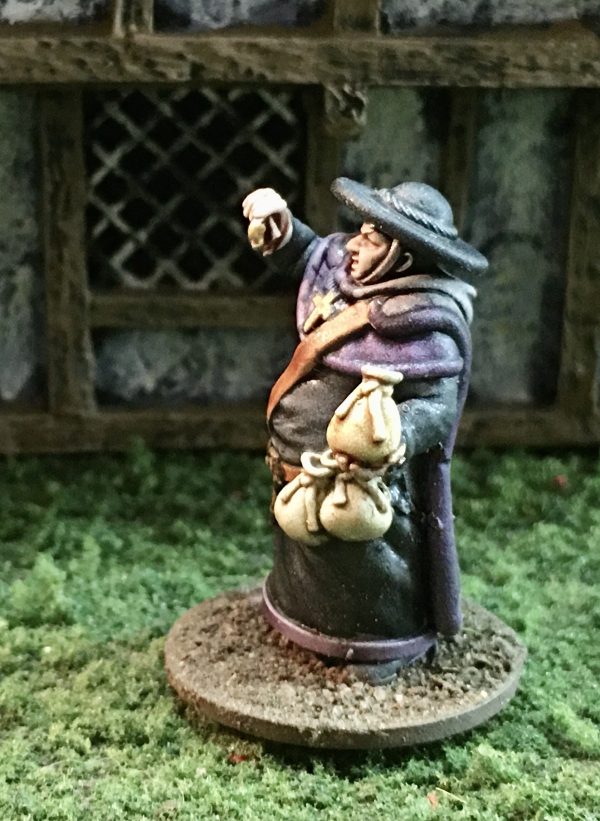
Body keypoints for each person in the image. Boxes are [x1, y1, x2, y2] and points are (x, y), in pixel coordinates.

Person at [243, 178, 487, 677]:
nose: (354, 244)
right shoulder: (348, 273)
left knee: (362, 570)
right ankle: (304, 624)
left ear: (401, 256)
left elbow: (436, 407)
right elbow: (309, 253)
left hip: (360, 487)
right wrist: (280, 228)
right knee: (301, 558)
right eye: (362, 230)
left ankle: (374, 648)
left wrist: (396, 432)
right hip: (300, 472)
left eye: (372, 238)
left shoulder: (425, 326)